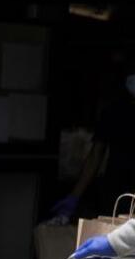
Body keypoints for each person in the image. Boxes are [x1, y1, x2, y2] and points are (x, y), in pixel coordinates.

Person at [56, 58, 135, 222]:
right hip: (116, 190)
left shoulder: (113, 109)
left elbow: (95, 156)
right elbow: (95, 156)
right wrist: (74, 196)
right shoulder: (114, 110)